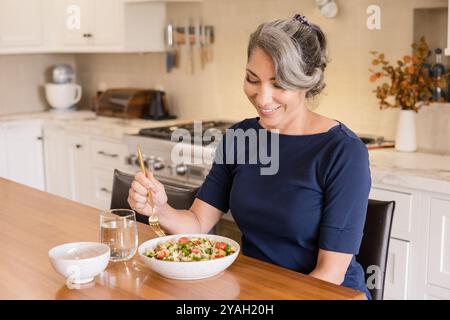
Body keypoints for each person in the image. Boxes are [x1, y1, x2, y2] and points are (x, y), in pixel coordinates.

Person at [128, 14, 372, 299]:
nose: (262, 98)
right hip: (257, 288)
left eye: (279, 84)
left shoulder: (343, 152)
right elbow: (197, 223)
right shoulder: (242, 137)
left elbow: (329, 275)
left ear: (307, 82)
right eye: (252, 80)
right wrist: (161, 208)